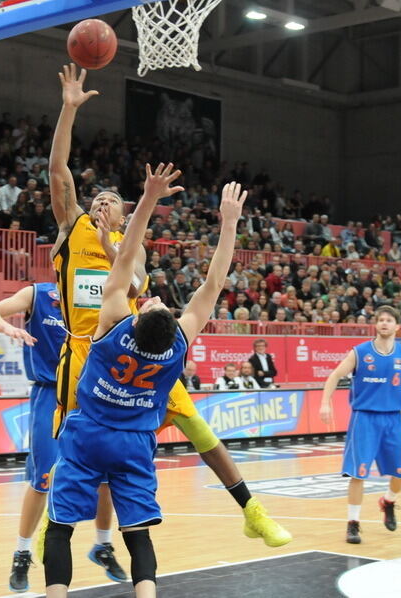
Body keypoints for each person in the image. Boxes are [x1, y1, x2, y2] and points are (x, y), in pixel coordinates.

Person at [47, 66, 284, 564]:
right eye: (95, 198)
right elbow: (58, 172)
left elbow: (134, 282)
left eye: (108, 199)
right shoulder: (72, 228)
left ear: (122, 212)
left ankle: (251, 508)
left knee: (200, 431)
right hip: (85, 353)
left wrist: (123, 244)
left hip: (135, 354)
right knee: (68, 458)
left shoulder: (132, 256)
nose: (98, 201)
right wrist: (69, 108)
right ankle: (75, 541)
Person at [0, 283, 75, 593]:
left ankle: (103, 543)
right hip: (50, 395)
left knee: (106, 477)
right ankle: (22, 551)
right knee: (43, 479)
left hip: (87, 396)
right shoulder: (38, 294)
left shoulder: (99, 293)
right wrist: (9, 328)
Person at [320, 305, 401, 545]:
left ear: (397, 326)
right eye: (381, 319)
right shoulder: (360, 352)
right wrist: (325, 403)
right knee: (357, 474)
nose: (384, 323)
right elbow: (333, 376)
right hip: (364, 418)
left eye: (389, 320)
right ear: (376, 325)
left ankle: (388, 501)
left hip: (393, 418)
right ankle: (353, 524)